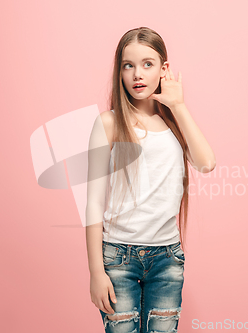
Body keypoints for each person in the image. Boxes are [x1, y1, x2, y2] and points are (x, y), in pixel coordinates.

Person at [85, 26, 216, 333]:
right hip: (118, 256)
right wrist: (95, 271)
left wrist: (179, 105)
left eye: (147, 64)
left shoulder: (174, 121)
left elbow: (207, 163)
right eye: (128, 65)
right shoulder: (109, 123)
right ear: (120, 71)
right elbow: (92, 202)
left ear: (163, 69)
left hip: (167, 257)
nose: (137, 75)